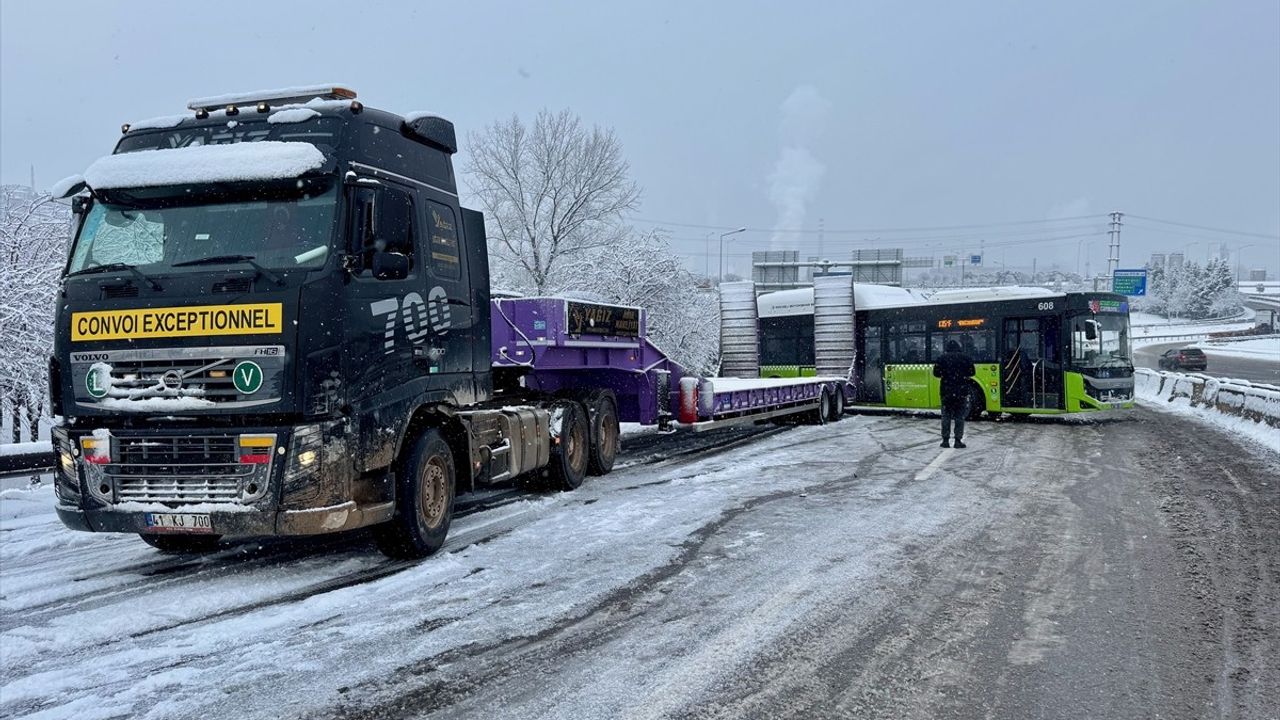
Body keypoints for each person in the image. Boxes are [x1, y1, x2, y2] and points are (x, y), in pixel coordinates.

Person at [933, 339, 976, 448]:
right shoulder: (965, 358)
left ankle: (945, 440)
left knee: (946, 416)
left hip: (946, 392)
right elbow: (972, 372)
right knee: (959, 416)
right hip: (961, 391)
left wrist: (946, 374)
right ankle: (958, 440)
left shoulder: (942, 358)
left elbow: (936, 373)